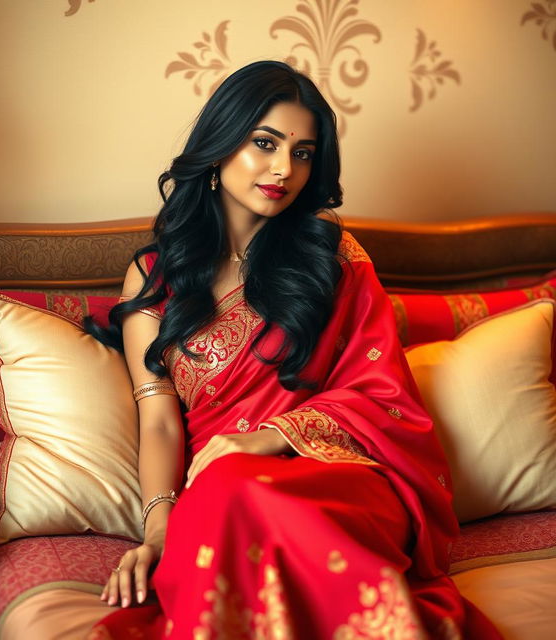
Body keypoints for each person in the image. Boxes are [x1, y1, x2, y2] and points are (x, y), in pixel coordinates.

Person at [86, 61, 500, 639]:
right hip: (220, 486)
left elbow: (383, 396)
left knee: (236, 484)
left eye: (303, 152)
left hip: (338, 476)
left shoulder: (333, 259)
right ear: (219, 145)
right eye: (265, 143)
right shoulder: (155, 277)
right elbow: (157, 421)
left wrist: (266, 438)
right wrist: (158, 528)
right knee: (228, 488)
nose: (284, 168)